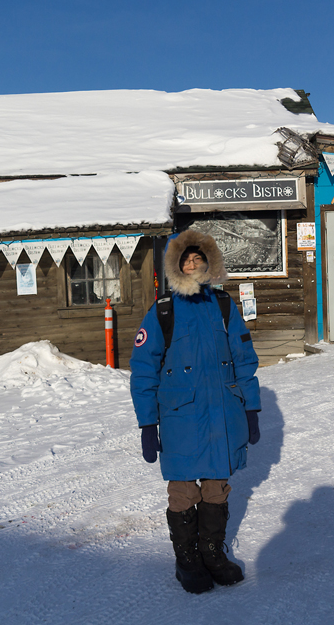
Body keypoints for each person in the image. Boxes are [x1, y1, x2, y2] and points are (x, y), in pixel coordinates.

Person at [130, 230, 261, 594]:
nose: (192, 263)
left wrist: (251, 408)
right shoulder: (162, 311)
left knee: (217, 488)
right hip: (180, 418)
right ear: (175, 266)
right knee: (184, 491)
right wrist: (147, 424)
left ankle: (212, 555)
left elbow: (244, 359)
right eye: (185, 259)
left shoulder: (223, 305)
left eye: (198, 258)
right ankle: (187, 560)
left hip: (222, 415)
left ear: (209, 263)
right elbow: (143, 370)